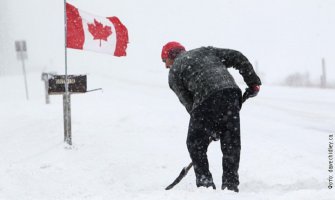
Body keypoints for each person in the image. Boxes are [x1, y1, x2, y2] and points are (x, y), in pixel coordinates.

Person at [161, 41, 261, 192]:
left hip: (206, 98)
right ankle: (230, 185)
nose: (166, 66)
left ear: (170, 56)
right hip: (231, 93)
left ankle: (205, 185)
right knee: (230, 143)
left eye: (164, 61)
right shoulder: (205, 51)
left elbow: (189, 104)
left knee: (195, 143)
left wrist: (207, 128)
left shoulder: (174, 72)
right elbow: (237, 56)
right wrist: (253, 82)